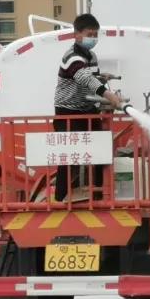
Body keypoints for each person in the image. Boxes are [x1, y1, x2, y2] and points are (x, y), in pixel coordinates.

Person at [52, 13, 125, 200]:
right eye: (89, 34)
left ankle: (98, 194)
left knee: (99, 153)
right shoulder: (71, 57)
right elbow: (84, 78)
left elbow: (92, 77)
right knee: (69, 159)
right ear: (76, 34)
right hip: (68, 112)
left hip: (88, 110)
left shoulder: (91, 55)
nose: (93, 39)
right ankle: (63, 198)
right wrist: (109, 95)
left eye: (95, 35)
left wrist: (103, 78)